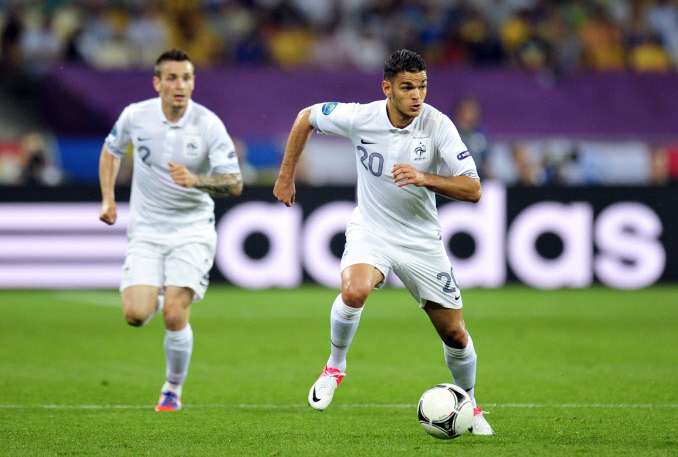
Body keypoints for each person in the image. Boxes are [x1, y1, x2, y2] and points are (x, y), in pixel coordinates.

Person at [273, 49, 493, 435]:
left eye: (422, 86)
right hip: (372, 230)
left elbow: (473, 189)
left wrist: (427, 178)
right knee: (355, 290)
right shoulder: (362, 117)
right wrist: (286, 176)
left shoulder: (437, 125)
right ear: (387, 88)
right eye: (407, 87)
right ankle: (335, 367)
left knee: (455, 333)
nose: (417, 95)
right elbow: (305, 117)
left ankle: (471, 405)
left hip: (421, 240)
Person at [98, 49, 242, 412]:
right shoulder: (136, 116)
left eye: (187, 78)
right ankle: (157, 295)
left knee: (176, 314)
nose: (181, 86)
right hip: (147, 229)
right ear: (157, 83)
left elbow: (235, 183)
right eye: (173, 78)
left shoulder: (208, 124)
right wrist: (108, 199)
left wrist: (196, 180)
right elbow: (111, 150)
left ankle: (172, 389)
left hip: (192, 229)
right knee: (135, 315)